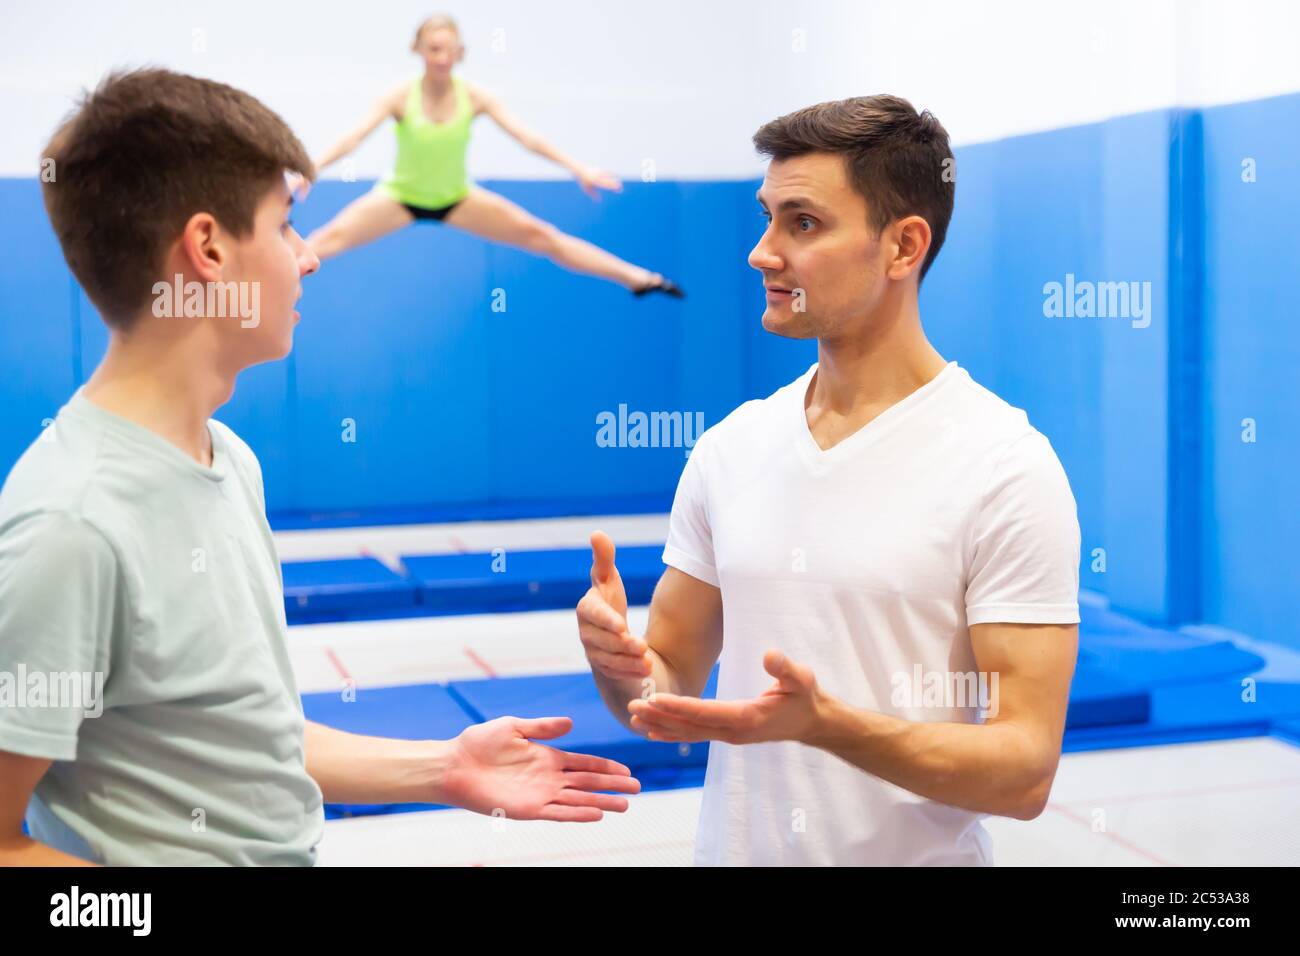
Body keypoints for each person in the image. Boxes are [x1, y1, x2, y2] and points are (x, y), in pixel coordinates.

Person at [0, 67, 638, 867]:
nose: (308, 258)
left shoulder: (228, 460)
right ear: (207, 248)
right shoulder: (72, 523)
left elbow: (245, 738)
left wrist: (443, 766)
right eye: (286, 224)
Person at [576, 95, 1081, 866]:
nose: (762, 251)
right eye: (766, 216)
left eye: (802, 223)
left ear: (903, 246)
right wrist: (623, 668)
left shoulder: (1004, 466)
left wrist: (827, 726)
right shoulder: (730, 448)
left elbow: (1024, 771)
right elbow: (665, 686)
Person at [302, 14, 684, 298]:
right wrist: (311, 169)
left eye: (450, 49)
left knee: (541, 235)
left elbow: (527, 137)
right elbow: (353, 137)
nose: (442, 57)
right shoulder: (401, 96)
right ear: (417, 50)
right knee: (323, 242)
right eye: (434, 49)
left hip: (458, 198)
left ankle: (636, 278)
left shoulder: (476, 96)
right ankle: (250, 290)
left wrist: (578, 168)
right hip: (400, 197)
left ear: (460, 52)